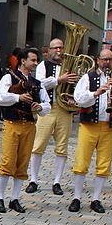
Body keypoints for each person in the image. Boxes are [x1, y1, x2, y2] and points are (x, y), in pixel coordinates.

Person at [69, 49, 112, 213]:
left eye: (110, 60)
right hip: (89, 125)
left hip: (108, 127)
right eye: (104, 60)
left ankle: (96, 199)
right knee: (81, 162)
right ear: (97, 60)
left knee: (104, 164)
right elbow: (79, 98)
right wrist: (96, 93)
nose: (107, 63)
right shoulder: (88, 77)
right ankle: (76, 197)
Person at [0, 48, 51, 213]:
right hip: (12, 123)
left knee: (23, 163)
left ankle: (15, 199)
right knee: (8, 161)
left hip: (30, 126)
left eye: (36, 60)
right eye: (32, 60)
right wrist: (17, 97)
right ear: (23, 61)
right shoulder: (9, 77)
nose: (35, 63)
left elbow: (47, 105)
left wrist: (40, 107)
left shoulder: (37, 83)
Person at [27, 38, 80, 195]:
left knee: (62, 147)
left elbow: (77, 86)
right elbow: (39, 83)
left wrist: (73, 97)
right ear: (49, 50)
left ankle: (57, 181)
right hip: (48, 109)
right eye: (55, 48)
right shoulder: (44, 65)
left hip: (64, 110)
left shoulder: (72, 66)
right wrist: (59, 80)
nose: (59, 51)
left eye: (61, 48)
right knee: (39, 144)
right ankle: (33, 180)